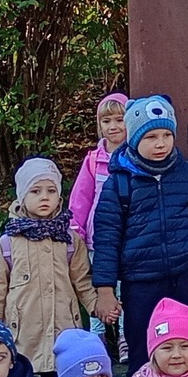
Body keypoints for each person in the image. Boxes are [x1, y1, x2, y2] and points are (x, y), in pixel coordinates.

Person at [90, 95, 188, 377]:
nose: (161, 143)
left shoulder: (187, 174)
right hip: (140, 283)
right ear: (134, 138)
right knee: (143, 351)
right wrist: (105, 289)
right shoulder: (119, 182)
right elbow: (106, 237)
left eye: (166, 135)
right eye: (151, 137)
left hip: (184, 277)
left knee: (186, 346)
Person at [0, 156, 96, 377]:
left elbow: (82, 280)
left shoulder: (69, 239)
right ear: (22, 197)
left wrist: (97, 305)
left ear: (59, 197)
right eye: (35, 191)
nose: (44, 197)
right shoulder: (9, 242)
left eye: (51, 191)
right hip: (23, 334)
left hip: (63, 330)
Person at [68, 92, 129, 255]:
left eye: (119, 120)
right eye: (106, 121)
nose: (113, 126)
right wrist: (76, 234)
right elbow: (80, 200)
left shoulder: (137, 158)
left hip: (130, 240)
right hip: (97, 241)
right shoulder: (93, 160)